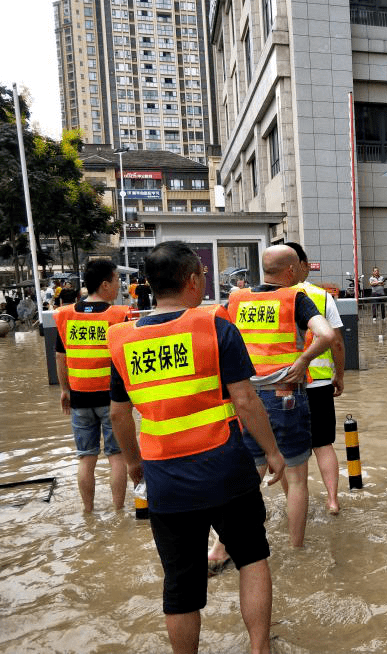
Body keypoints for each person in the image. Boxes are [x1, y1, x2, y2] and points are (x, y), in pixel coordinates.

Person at [107, 241, 285, 654]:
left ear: (150, 285)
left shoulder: (121, 340)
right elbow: (245, 399)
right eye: (202, 276)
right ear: (192, 280)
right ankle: (260, 649)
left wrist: (134, 463)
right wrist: (272, 452)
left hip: (165, 478)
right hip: (226, 469)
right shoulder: (214, 326)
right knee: (252, 558)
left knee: (181, 583)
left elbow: (119, 415)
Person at [227, 244, 335, 548]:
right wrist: (302, 362)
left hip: (247, 399)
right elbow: (327, 336)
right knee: (298, 478)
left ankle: (222, 547)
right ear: (291, 271)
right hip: (286, 396)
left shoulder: (237, 299)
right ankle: (296, 547)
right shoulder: (294, 297)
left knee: (251, 475)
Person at [54, 259, 130, 512]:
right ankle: (119, 512)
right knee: (116, 456)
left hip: (79, 398)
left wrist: (65, 390)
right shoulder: (118, 315)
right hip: (112, 399)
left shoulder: (65, 315)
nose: (120, 285)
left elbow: (60, 356)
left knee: (85, 458)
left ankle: (88, 511)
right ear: (105, 284)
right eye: (117, 279)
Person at [286, 242, 345, 514]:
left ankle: (293, 503)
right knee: (323, 444)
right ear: (304, 266)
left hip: (284, 386)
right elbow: (337, 344)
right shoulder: (322, 297)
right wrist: (340, 375)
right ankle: (332, 500)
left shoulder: (271, 299)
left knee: (288, 449)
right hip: (319, 384)